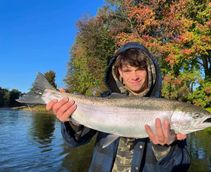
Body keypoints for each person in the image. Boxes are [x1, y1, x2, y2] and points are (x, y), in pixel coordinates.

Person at [46, 42, 190, 172]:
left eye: (139, 69)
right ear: (119, 73)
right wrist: (72, 121)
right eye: (127, 71)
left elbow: (181, 166)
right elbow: (75, 141)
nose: (134, 77)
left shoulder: (166, 110)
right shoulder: (103, 100)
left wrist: (165, 148)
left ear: (149, 70)